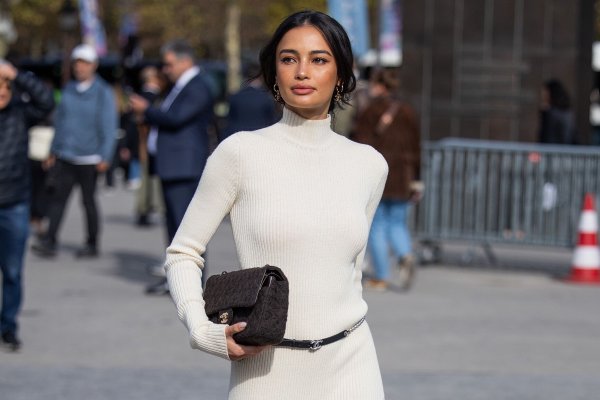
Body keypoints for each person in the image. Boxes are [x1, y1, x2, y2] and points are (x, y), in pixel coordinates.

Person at [164, 11, 387, 399]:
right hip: (265, 374)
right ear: (274, 72)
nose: (302, 71)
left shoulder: (369, 164)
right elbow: (183, 252)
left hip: (353, 367)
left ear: (341, 74)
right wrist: (203, 332)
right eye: (288, 59)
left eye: (319, 59)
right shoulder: (239, 154)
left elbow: (349, 272)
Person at [129, 40, 215, 295]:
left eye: (168, 64)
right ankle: (176, 280)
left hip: (184, 168)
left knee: (187, 231)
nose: (164, 69)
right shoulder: (178, 87)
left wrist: (147, 110)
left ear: (184, 61)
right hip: (172, 166)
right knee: (174, 229)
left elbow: (176, 119)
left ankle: (194, 285)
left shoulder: (198, 86)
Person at [31, 44, 118, 258]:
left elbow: (108, 125)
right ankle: (50, 241)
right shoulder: (69, 89)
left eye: (85, 63)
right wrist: (53, 150)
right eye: (77, 63)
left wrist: (106, 155)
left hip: (90, 157)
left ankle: (91, 243)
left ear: (93, 66)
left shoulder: (102, 92)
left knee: (88, 202)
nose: (80, 67)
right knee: (58, 200)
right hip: (67, 155)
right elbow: (60, 123)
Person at [351, 68, 422, 291]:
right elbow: (415, 147)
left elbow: (360, 143)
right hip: (403, 176)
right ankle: (405, 254)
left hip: (379, 175)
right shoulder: (408, 111)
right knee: (397, 223)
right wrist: (417, 179)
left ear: (380, 86)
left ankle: (381, 276)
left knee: (377, 226)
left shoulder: (370, 110)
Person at [0, 60, 55, 350]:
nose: (1, 92)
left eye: (5, 86)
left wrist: (17, 74)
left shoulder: (20, 113)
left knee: (11, 271)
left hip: (13, 204)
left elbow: (46, 102)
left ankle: (8, 326)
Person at [222, 62, 280, 139]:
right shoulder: (266, 98)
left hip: (237, 140)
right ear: (260, 77)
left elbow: (229, 121)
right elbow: (272, 122)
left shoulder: (235, 97)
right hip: (260, 140)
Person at [538, 78, 576, 144]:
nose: (542, 95)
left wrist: (544, 113)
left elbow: (546, 136)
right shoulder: (567, 113)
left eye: (545, 92)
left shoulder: (551, 113)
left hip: (552, 149)